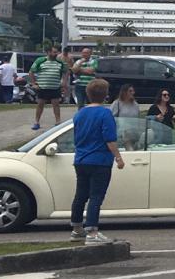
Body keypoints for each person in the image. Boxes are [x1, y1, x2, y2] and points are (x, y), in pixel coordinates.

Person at [68, 78, 125, 244]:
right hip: (99, 160)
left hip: (81, 159)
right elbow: (109, 139)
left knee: (81, 194)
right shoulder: (105, 113)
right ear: (105, 95)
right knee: (96, 196)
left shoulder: (80, 113)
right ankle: (92, 232)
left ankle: (76, 228)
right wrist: (118, 158)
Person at [29, 46, 67, 130]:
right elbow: (31, 71)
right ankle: (36, 122)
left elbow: (65, 72)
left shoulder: (60, 62)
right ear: (48, 52)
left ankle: (58, 121)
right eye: (54, 52)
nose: (55, 54)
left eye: (56, 52)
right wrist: (33, 83)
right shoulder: (40, 60)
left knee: (56, 104)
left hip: (55, 87)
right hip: (42, 87)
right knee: (40, 104)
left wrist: (64, 83)